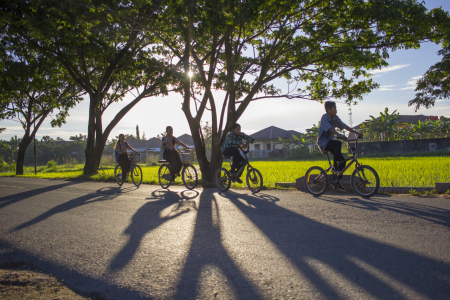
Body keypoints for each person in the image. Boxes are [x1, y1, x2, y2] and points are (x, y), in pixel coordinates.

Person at [317, 101, 363, 191]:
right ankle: (334, 167)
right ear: (329, 110)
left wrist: (357, 133)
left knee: (342, 161)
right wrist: (339, 135)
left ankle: (336, 181)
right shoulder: (324, 118)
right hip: (323, 144)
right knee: (338, 143)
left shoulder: (335, 118)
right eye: (335, 108)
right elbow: (330, 129)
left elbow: (344, 126)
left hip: (330, 143)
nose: (336, 110)